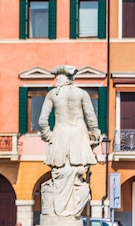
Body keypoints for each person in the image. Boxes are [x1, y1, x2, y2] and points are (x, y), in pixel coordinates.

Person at [38, 65, 101, 223]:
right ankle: (70, 213)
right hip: (79, 137)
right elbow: (92, 119)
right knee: (76, 174)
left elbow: (42, 121)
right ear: (71, 78)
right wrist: (94, 135)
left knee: (60, 171)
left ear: (59, 78)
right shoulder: (81, 94)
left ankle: (60, 211)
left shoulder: (52, 94)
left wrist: (49, 137)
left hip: (60, 136)